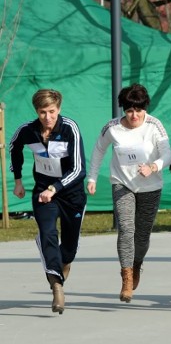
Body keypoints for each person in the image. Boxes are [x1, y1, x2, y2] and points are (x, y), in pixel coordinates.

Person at [86, 83, 171, 303]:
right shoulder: (112, 128)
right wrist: (92, 177)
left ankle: (136, 264)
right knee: (126, 228)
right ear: (123, 109)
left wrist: (153, 167)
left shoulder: (155, 126)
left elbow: (168, 154)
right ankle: (126, 277)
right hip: (122, 183)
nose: (134, 115)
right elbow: (98, 150)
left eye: (138, 110)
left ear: (145, 108)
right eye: (129, 110)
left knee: (142, 235)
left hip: (150, 186)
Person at [9, 89, 87, 314]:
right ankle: (56, 286)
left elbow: (78, 169)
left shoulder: (69, 128)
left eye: (52, 111)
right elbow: (14, 147)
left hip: (71, 194)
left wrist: (56, 187)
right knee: (48, 234)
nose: (47, 117)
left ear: (58, 109)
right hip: (43, 191)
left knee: (69, 250)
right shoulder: (28, 130)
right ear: (37, 111)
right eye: (43, 112)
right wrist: (18, 181)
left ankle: (62, 266)